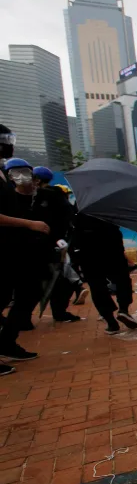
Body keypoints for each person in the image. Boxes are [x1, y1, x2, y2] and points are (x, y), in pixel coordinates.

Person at [0, 158, 51, 374]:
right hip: (4, 250)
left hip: (20, 250)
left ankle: (7, 342)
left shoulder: (38, 195)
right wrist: (29, 224)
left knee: (30, 293)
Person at [70, 210, 137, 335]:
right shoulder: (111, 207)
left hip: (88, 252)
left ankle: (111, 322)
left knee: (97, 286)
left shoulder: (82, 206)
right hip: (112, 249)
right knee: (122, 280)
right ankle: (123, 309)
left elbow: (74, 229)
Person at [31, 167, 81, 322]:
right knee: (58, 280)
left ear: (37, 180)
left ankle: (26, 317)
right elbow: (69, 218)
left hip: (44, 245)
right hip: (52, 244)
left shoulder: (43, 196)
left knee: (52, 280)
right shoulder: (54, 196)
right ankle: (59, 311)